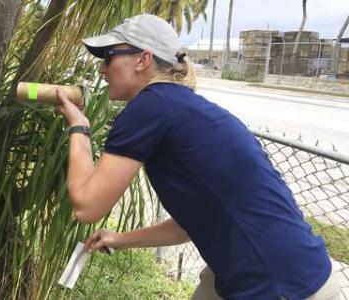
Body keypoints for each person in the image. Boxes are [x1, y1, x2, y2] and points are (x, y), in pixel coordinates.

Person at [55, 14, 341, 300]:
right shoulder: (178, 106)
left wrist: (79, 126)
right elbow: (190, 223)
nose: (102, 69)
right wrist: (120, 239)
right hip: (283, 270)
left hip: (279, 284)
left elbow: (87, 207)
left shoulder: (150, 107)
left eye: (108, 57)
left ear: (143, 59)